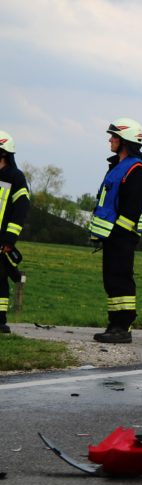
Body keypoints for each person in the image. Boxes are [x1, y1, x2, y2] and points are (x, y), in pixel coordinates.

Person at [88, 118, 142, 344]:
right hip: (112, 236)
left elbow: (132, 208)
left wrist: (117, 234)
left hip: (122, 236)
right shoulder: (117, 166)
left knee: (121, 280)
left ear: (124, 141)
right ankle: (114, 325)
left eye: (113, 136)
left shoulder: (135, 168)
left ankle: (123, 328)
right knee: (111, 281)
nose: (110, 140)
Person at [0, 131, 31, 335]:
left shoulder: (15, 177)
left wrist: (9, 239)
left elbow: (21, 209)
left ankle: (0, 320)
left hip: (2, 239)